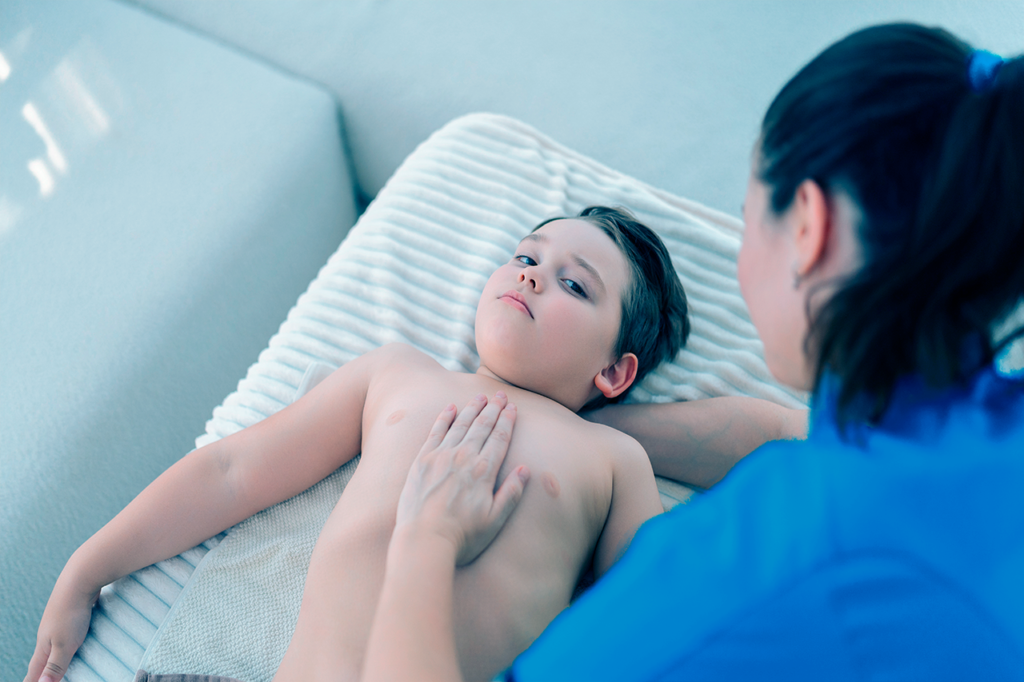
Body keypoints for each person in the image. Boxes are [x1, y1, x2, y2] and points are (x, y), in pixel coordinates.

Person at [363, 23, 1024, 681]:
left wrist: (425, 541)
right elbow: (792, 435)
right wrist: (562, 412)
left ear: (807, 227)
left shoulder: (734, 574)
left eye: (746, 216)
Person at [26, 206, 799, 682]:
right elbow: (233, 471)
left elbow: (654, 612)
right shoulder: (397, 376)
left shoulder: (610, 460)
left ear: (615, 371)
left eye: (574, 285)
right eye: (527, 256)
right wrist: (85, 571)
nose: (531, 277)